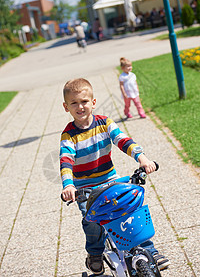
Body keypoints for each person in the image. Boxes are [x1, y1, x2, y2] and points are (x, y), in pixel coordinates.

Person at [60, 78, 170, 275]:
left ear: (93, 103)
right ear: (66, 107)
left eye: (84, 101)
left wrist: (142, 158)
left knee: (130, 210)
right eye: (74, 103)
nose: (80, 106)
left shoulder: (105, 123)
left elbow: (123, 140)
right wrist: (69, 186)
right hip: (86, 189)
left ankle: (150, 251)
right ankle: (95, 253)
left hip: (110, 180)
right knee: (92, 222)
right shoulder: (69, 135)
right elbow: (66, 160)